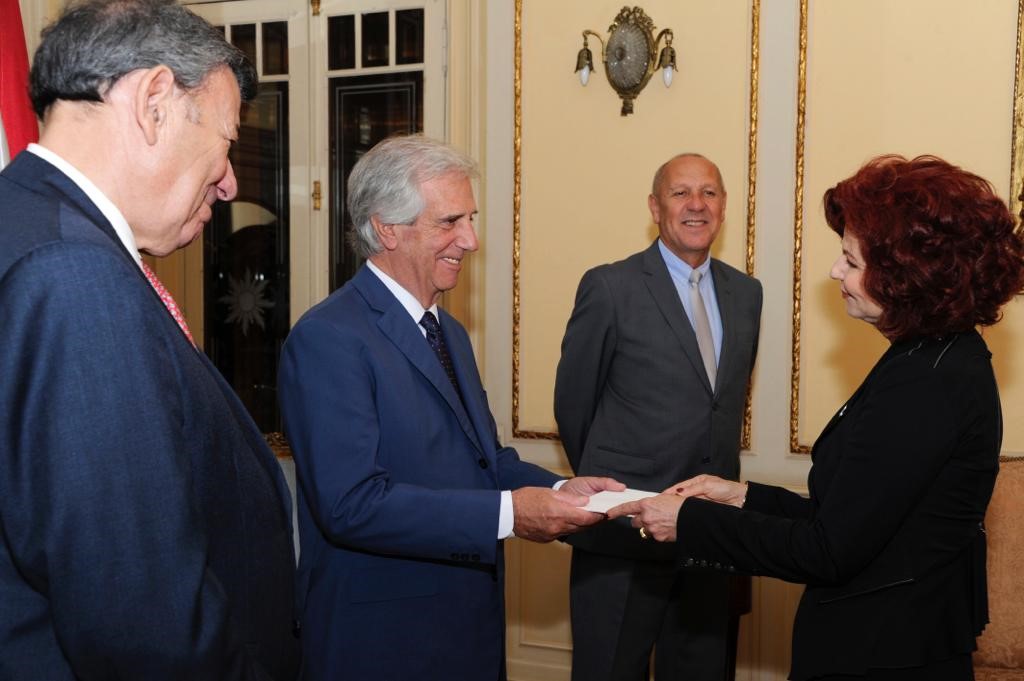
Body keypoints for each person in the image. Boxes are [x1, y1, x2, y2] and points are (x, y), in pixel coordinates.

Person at [609, 154, 1024, 681]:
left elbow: (828, 551)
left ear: (905, 276)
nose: (835, 272)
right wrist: (742, 496)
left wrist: (688, 521)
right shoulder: (932, 357)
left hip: (882, 654)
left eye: (851, 260)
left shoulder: (929, 380)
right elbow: (852, 514)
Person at [0, 1, 301, 679]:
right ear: (154, 103)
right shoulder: (74, 275)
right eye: (226, 139)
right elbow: (143, 627)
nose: (229, 181)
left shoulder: (26, 224)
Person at [277, 134, 623, 681]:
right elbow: (351, 504)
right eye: (450, 222)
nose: (472, 240)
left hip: (466, 631)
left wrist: (562, 489)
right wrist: (511, 514)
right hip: (383, 645)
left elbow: (485, 460)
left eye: (471, 219)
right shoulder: (329, 337)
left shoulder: (449, 332)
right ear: (387, 228)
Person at [555, 153, 763, 681]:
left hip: (709, 535)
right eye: (680, 193)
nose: (697, 205)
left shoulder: (747, 293)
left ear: (724, 206)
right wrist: (615, 491)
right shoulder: (610, 287)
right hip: (622, 535)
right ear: (654, 207)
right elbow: (574, 406)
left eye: (709, 192)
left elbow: (721, 405)